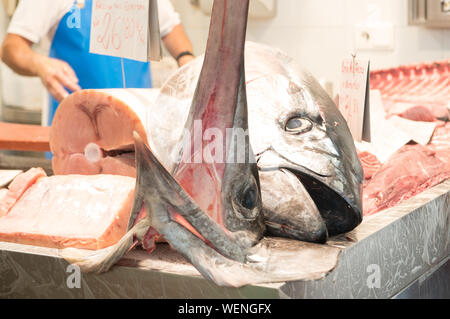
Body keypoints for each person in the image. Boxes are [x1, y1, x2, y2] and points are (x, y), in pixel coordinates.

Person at [1, 0, 194, 126]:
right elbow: (11, 47)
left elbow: (170, 26)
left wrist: (186, 58)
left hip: (138, 125)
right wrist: (40, 64)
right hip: (76, 129)